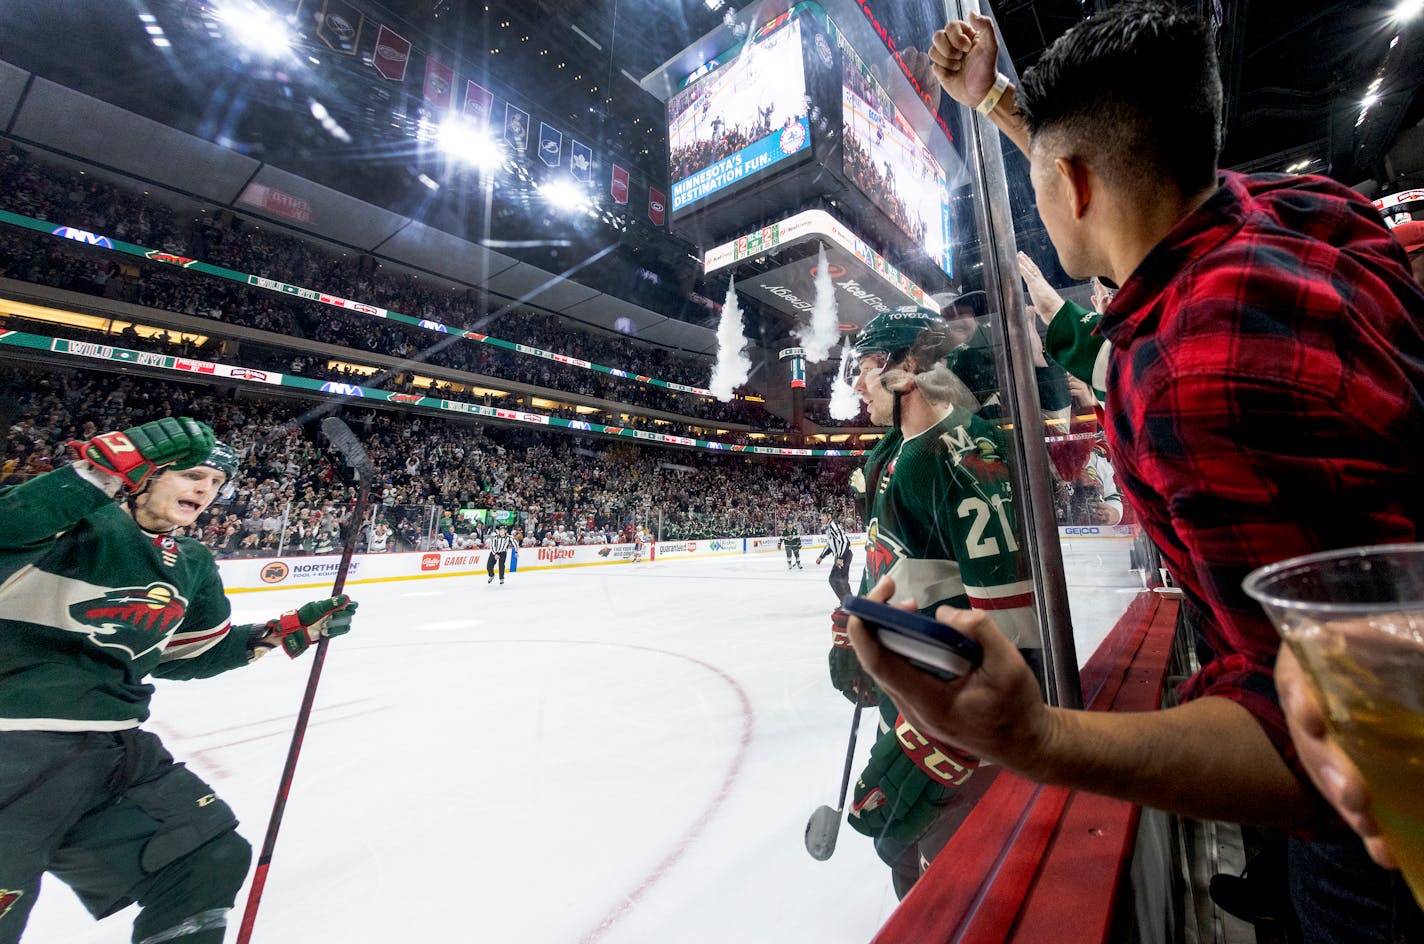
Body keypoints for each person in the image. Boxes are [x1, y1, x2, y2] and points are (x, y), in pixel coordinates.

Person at [849, 6, 1424, 938]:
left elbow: (1319, 741)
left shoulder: (1189, 379)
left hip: (1384, 853)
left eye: (1042, 179)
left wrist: (1036, 738)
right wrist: (995, 99)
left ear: (1069, 186)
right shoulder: (1313, 208)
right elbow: (1117, 157)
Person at [0, 417, 359, 944]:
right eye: (191, 475)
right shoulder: (70, 521)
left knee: (206, 858)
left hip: (114, 752)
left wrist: (278, 633)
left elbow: (190, 653)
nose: (204, 490)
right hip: (12, 747)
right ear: (143, 474)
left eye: (214, 484)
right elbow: (9, 527)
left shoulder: (190, 563)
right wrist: (96, 473)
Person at [831, 307, 1038, 897]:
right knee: (897, 849)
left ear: (908, 370)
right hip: (914, 696)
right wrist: (862, 623)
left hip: (953, 723)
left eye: (865, 368)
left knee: (953, 885)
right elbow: (906, 568)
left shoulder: (962, 455)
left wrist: (944, 739)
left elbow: (1014, 635)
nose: (855, 383)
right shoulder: (894, 454)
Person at [815, 509, 854, 603]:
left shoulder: (833, 526)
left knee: (836, 580)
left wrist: (840, 557)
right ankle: (848, 602)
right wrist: (821, 556)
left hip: (844, 556)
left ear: (829, 516)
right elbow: (830, 545)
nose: (821, 518)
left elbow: (845, 542)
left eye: (823, 515)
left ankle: (848, 603)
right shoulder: (828, 527)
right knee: (838, 580)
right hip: (840, 557)